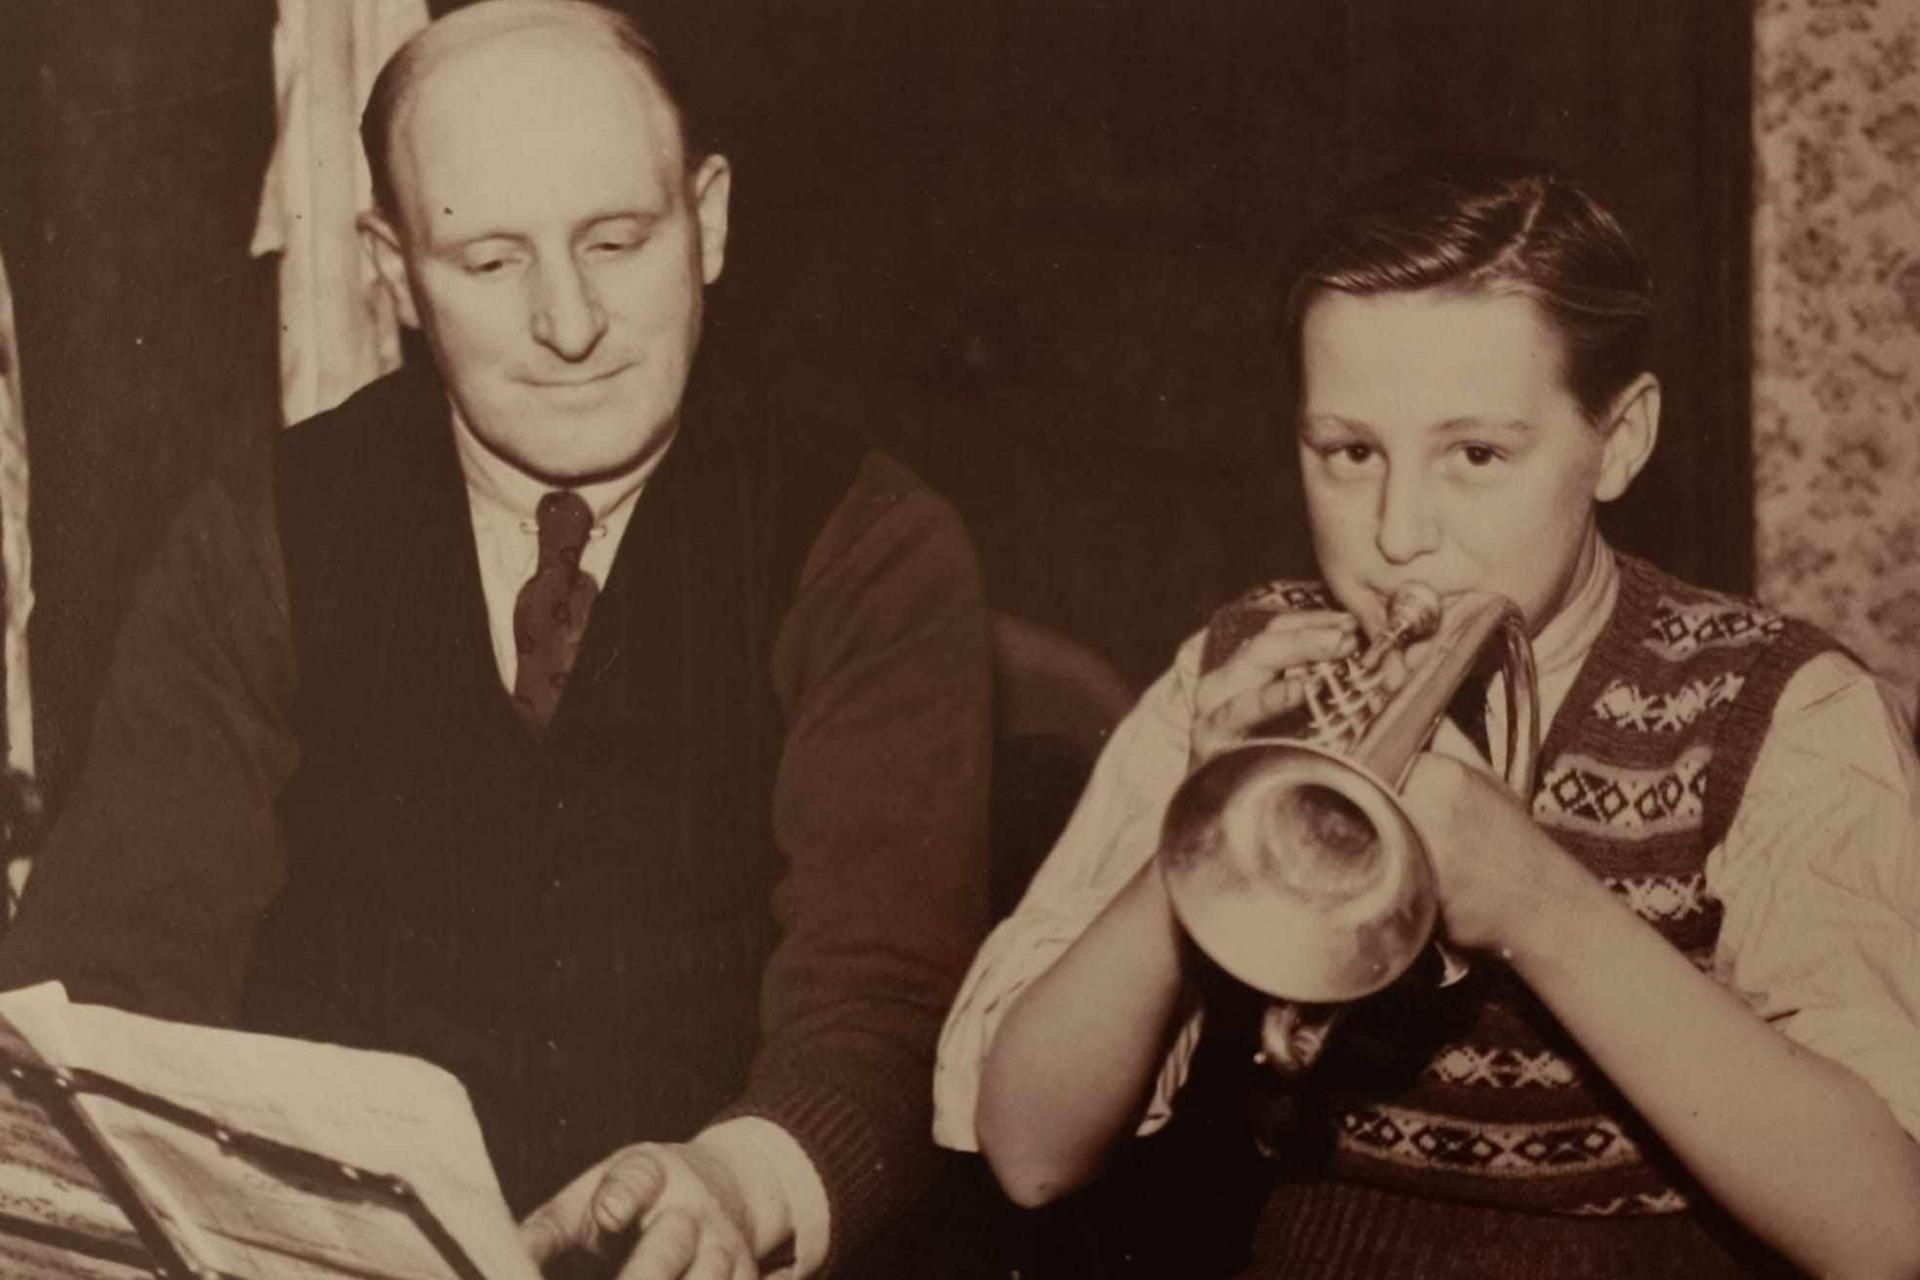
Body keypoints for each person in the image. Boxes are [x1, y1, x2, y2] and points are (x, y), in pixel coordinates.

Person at [0, 3, 993, 1278]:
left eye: (617, 241)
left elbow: (882, 1004)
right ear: (390, 268)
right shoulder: (264, 531)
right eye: (489, 262)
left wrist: (740, 1182)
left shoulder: (869, 547)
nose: (569, 323)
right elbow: (111, 974)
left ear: (714, 220)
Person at [934, 160, 1920, 1279]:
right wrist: (1197, 842)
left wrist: (1539, 904)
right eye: (1350, 453)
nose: (1399, 533)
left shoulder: (1780, 707)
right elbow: (1028, 1150)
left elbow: (1889, 1230)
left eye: (1478, 456)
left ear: (1623, 438)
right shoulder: (1250, 672)